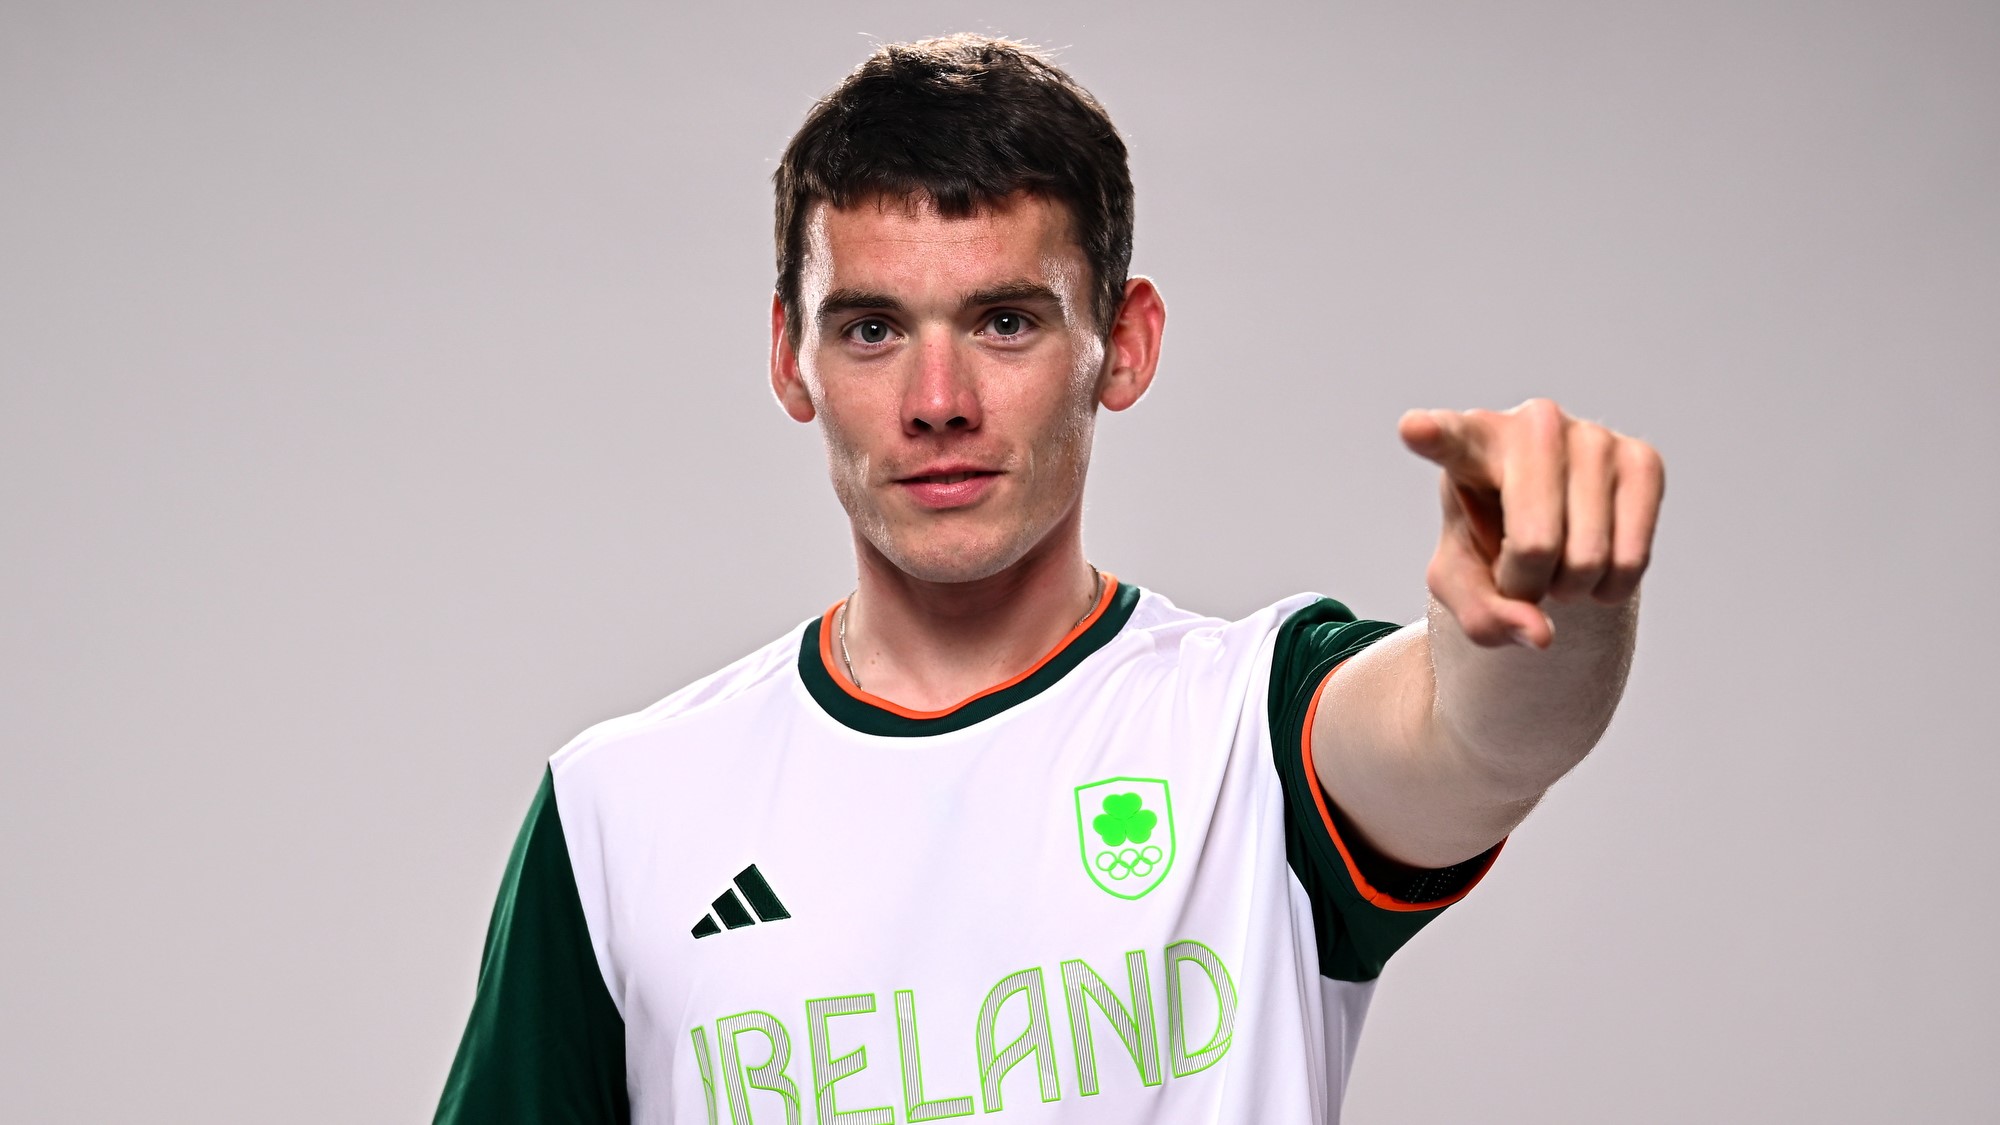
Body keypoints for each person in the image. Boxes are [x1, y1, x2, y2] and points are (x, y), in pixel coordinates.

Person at [433, 33, 1664, 1125]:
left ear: (1121, 345)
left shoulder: (1252, 726)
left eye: (1005, 322)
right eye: (871, 329)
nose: (937, 403)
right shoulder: (619, 807)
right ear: (788, 355)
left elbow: (1479, 736)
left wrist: (1550, 603)